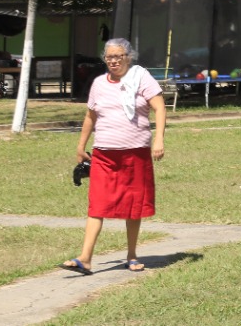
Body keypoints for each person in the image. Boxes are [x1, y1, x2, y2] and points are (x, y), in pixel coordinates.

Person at [61, 38, 166, 276]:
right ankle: (85, 258)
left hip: (135, 153)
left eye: (118, 56)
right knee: (97, 204)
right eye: (109, 57)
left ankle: (132, 255)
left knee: (134, 206)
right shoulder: (99, 83)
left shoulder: (142, 78)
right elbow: (91, 116)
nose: (114, 61)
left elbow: (159, 107)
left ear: (129, 57)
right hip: (104, 154)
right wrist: (81, 146)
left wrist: (159, 139)